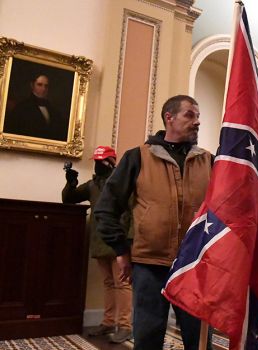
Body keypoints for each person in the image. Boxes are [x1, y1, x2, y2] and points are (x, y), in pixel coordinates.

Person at [93, 95, 213, 350]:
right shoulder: (137, 157)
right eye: (190, 115)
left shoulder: (209, 161)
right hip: (150, 264)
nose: (197, 122)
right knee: (148, 339)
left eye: (198, 116)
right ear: (169, 117)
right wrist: (121, 250)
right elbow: (106, 208)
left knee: (200, 341)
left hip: (195, 266)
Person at [62, 145, 133, 343]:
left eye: (101, 161)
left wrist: (128, 241)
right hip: (99, 240)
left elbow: (132, 211)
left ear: (111, 162)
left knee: (123, 284)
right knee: (109, 283)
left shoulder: (123, 182)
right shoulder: (93, 185)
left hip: (118, 241)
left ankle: (125, 326)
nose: (97, 165)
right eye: (95, 161)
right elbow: (68, 199)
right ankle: (109, 321)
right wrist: (70, 182)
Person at [4, 74, 67, 141]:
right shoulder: (22, 107)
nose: (43, 89)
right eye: (39, 85)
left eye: (46, 86)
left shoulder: (52, 109)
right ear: (32, 85)